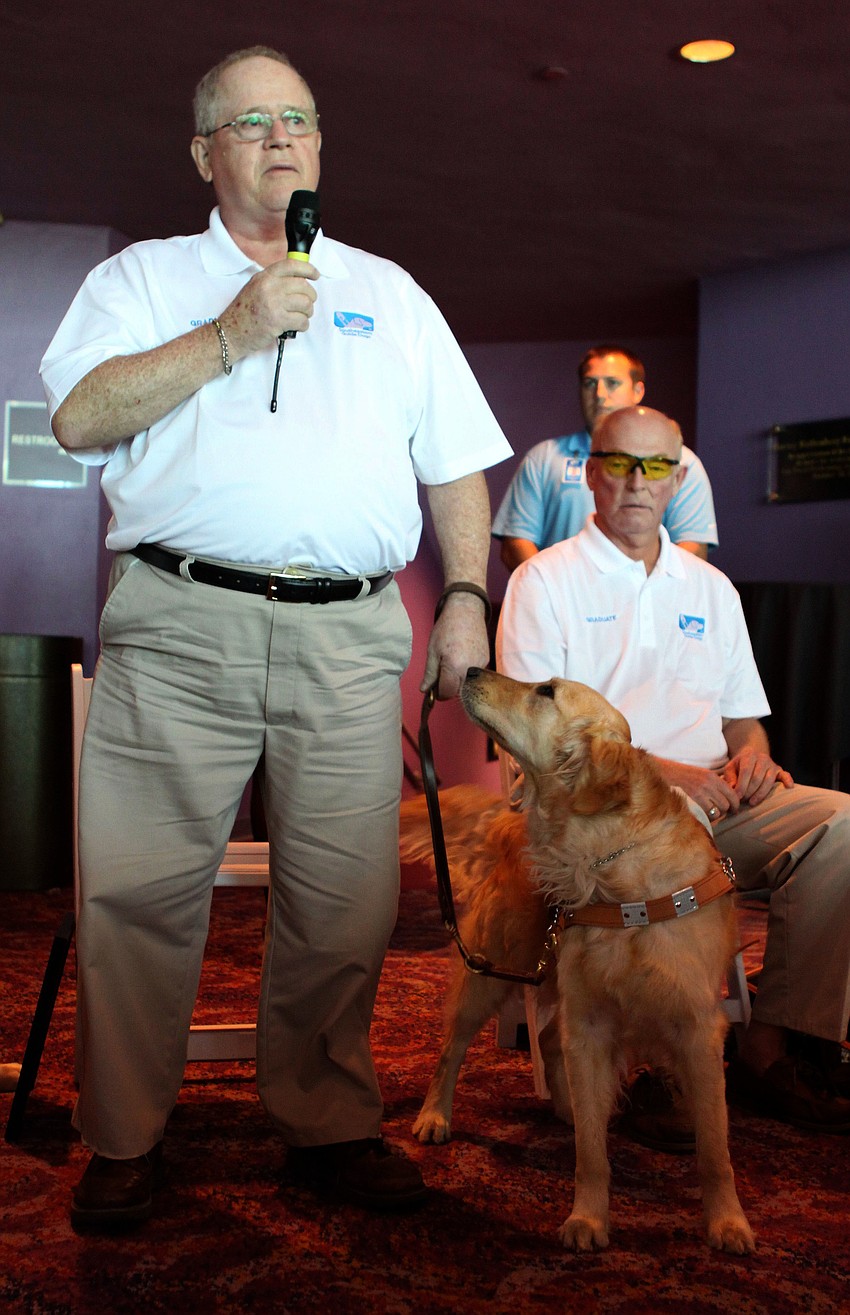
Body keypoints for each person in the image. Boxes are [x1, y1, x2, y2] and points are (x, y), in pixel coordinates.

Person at [40, 45, 512, 1229]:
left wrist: (464, 593)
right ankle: (127, 1139)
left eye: (298, 118)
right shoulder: (143, 279)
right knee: (140, 894)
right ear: (206, 154)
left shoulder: (391, 293)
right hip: (179, 621)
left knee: (345, 898)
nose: (282, 137)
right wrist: (230, 334)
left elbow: (454, 463)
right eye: (251, 122)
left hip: (348, 634)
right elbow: (79, 417)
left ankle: (325, 1117)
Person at [497, 405, 850, 1139]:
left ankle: (773, 1040)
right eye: (620, 463)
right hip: (600, 814)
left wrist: (753, 752)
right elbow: (536, 747)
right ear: (591, 473)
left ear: (678, 478)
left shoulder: (709, 589)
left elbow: (741, 716)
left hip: (717, 801)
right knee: (658, 849)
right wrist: (662, 777)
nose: (636, 481)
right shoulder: (544, 581)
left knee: (839, 826)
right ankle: (647, 1058)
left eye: (656, 466)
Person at [492, 345, 718, 571]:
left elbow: (693, 548)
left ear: (637, 391)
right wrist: (556, 592)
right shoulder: (543, 458)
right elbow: (516, 542)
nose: (599, 394)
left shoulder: (680, 461)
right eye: (590, 383)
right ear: (591, 472)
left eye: (612, 383)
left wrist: (642, 597)